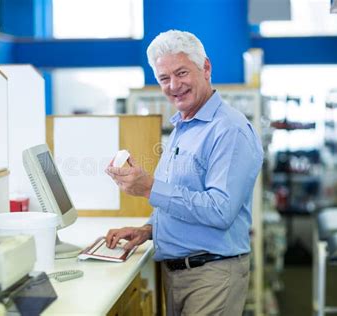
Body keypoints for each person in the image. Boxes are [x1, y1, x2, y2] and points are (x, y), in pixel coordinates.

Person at [105, 30, 263, 316]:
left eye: (181, 73)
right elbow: (184, 193)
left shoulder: (229, 130)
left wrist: (149, 188)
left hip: (212, 276)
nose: (174, 85)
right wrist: (148, 229)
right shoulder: (184, 125)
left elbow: (220, 210)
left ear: (206, 68)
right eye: (164, 78)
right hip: (180, 274)